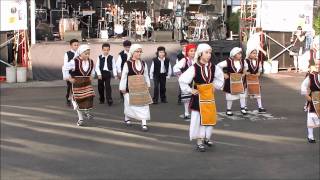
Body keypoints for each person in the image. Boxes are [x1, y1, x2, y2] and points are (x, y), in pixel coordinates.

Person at [179, 43, 224, 152]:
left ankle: (206, 137)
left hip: (209, 98)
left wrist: (215, 86)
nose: (209, 55)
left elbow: (220, 78)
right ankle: (199, 141)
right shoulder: (194, 68)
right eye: (206, 52)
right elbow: (182, 80)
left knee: (209, 118)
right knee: (198, 120)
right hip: (198, 98)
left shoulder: (214, 67)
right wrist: (190, 90)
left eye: (210, 52)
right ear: (200, 54)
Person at [119, 44, 151, 131]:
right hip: (130, 87)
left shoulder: (143, 63)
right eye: (137, 51)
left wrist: (148, 84)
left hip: (142, 87)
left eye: (140, 52)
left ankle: (144, 123)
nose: (139, 53)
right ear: (132, 52)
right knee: (128, 103)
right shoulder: (127, 63)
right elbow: (124, 76)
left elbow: (146, 75)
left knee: (144, 104)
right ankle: (127, 117)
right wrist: (122, 87)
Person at [63, 44, 95, 126]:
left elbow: (93, 70)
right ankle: (80, 118)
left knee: (88, 99)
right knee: (77, 101)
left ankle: (86, 111)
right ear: (80, 53)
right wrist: (69, 78)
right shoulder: (74, 61)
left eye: (88, 54)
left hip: (87, 83)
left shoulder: (91, 61)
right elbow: (64, 67)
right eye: (86, 54)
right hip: (77, 84)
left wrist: (92, 75)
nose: (87, 55)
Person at [217, 47, 248, 116]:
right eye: (238, 53)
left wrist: (244, 73)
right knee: (230, 95)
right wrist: (223, 74)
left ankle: (242, 108)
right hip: (230, 80)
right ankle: (228, 109)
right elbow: (218, 66)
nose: (240, 55)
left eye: (241, 53)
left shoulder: (243, 61)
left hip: (240, 80)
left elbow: (246, 67)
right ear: (234, 54)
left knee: (242, 94)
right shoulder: (228, 61)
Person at [173, 43, 197, 119]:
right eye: (191, 51)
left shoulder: (197, 60)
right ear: (187, 52)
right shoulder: (184, 60)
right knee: (186, 98)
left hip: (196, 81)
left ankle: (195, 112)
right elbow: (175, 68)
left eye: (194, 51)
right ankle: (186, 113)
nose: (193, 52)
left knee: (196, 96)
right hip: (187, 82)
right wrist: (181, 77)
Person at [300, 60, 320, 143]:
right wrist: (306, 96)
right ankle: (310, 136)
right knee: (312, 116)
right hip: (314, 98)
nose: (318, 66)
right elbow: (303, 86)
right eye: (317, 64)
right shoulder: (311, 76)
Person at [245, 47, 266, 113]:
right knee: (246, 93)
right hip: (247, 79)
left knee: (258, 92)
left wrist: (258, 73)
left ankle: (260, 106)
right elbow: (243, 69)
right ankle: (244, 106)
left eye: (256, 53)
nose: (255, 54)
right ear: (249, 54)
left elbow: (260, 69)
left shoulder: (258, 61)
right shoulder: (246, 61)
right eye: (253, 53)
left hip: (255, 79)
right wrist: (246, 72)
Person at [63, 39, 79, 106]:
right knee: (69, 86)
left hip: (77, 73)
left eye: (77, 45)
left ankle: (75, 99)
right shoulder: (67, 54)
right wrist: (66, 75)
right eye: (75, 45)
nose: (76, 46)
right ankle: (68, 98)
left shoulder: (80, 53)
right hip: (70, 73)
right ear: (71, 46)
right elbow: (65, 64)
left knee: (76, 86)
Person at [176, 39, 189, 104]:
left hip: (190, 72)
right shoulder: (179, 56)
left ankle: (191, 98)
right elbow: (177, 66)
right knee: (181, 86)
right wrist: (179, 75)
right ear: (181, 46)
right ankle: (180, 98)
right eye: (183, 46)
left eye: (186, 46)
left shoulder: (191, 53)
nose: (184, 48)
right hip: (182, 73)